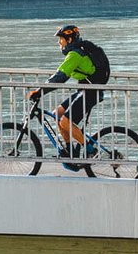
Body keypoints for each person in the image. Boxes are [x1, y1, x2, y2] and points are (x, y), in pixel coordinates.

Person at [29, 23, 110, 159]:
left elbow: (60, 77)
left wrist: (39, 92)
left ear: (69, 40)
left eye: (61, 39)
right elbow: (61, 76)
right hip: (85, 90)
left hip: (90, 92)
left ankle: (91, 150)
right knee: (57, 114)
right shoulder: (77, 53)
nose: (59, 43)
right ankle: (70, 151)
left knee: (65, 121)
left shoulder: (74, 55)